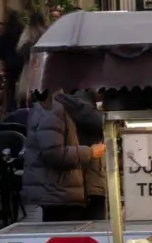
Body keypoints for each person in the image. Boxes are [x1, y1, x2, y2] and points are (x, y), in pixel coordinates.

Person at [23, 90, 104, 223]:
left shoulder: (78, 109)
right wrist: (90, 152)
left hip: (79, 191)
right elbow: (53, 153)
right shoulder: (53, 109)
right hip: (60, 193)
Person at [57, 91, 107, 220]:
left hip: (75, 185)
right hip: (82, 184)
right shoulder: (79, 106)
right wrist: (91, 152)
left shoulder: (60, 106)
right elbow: (102, 124)